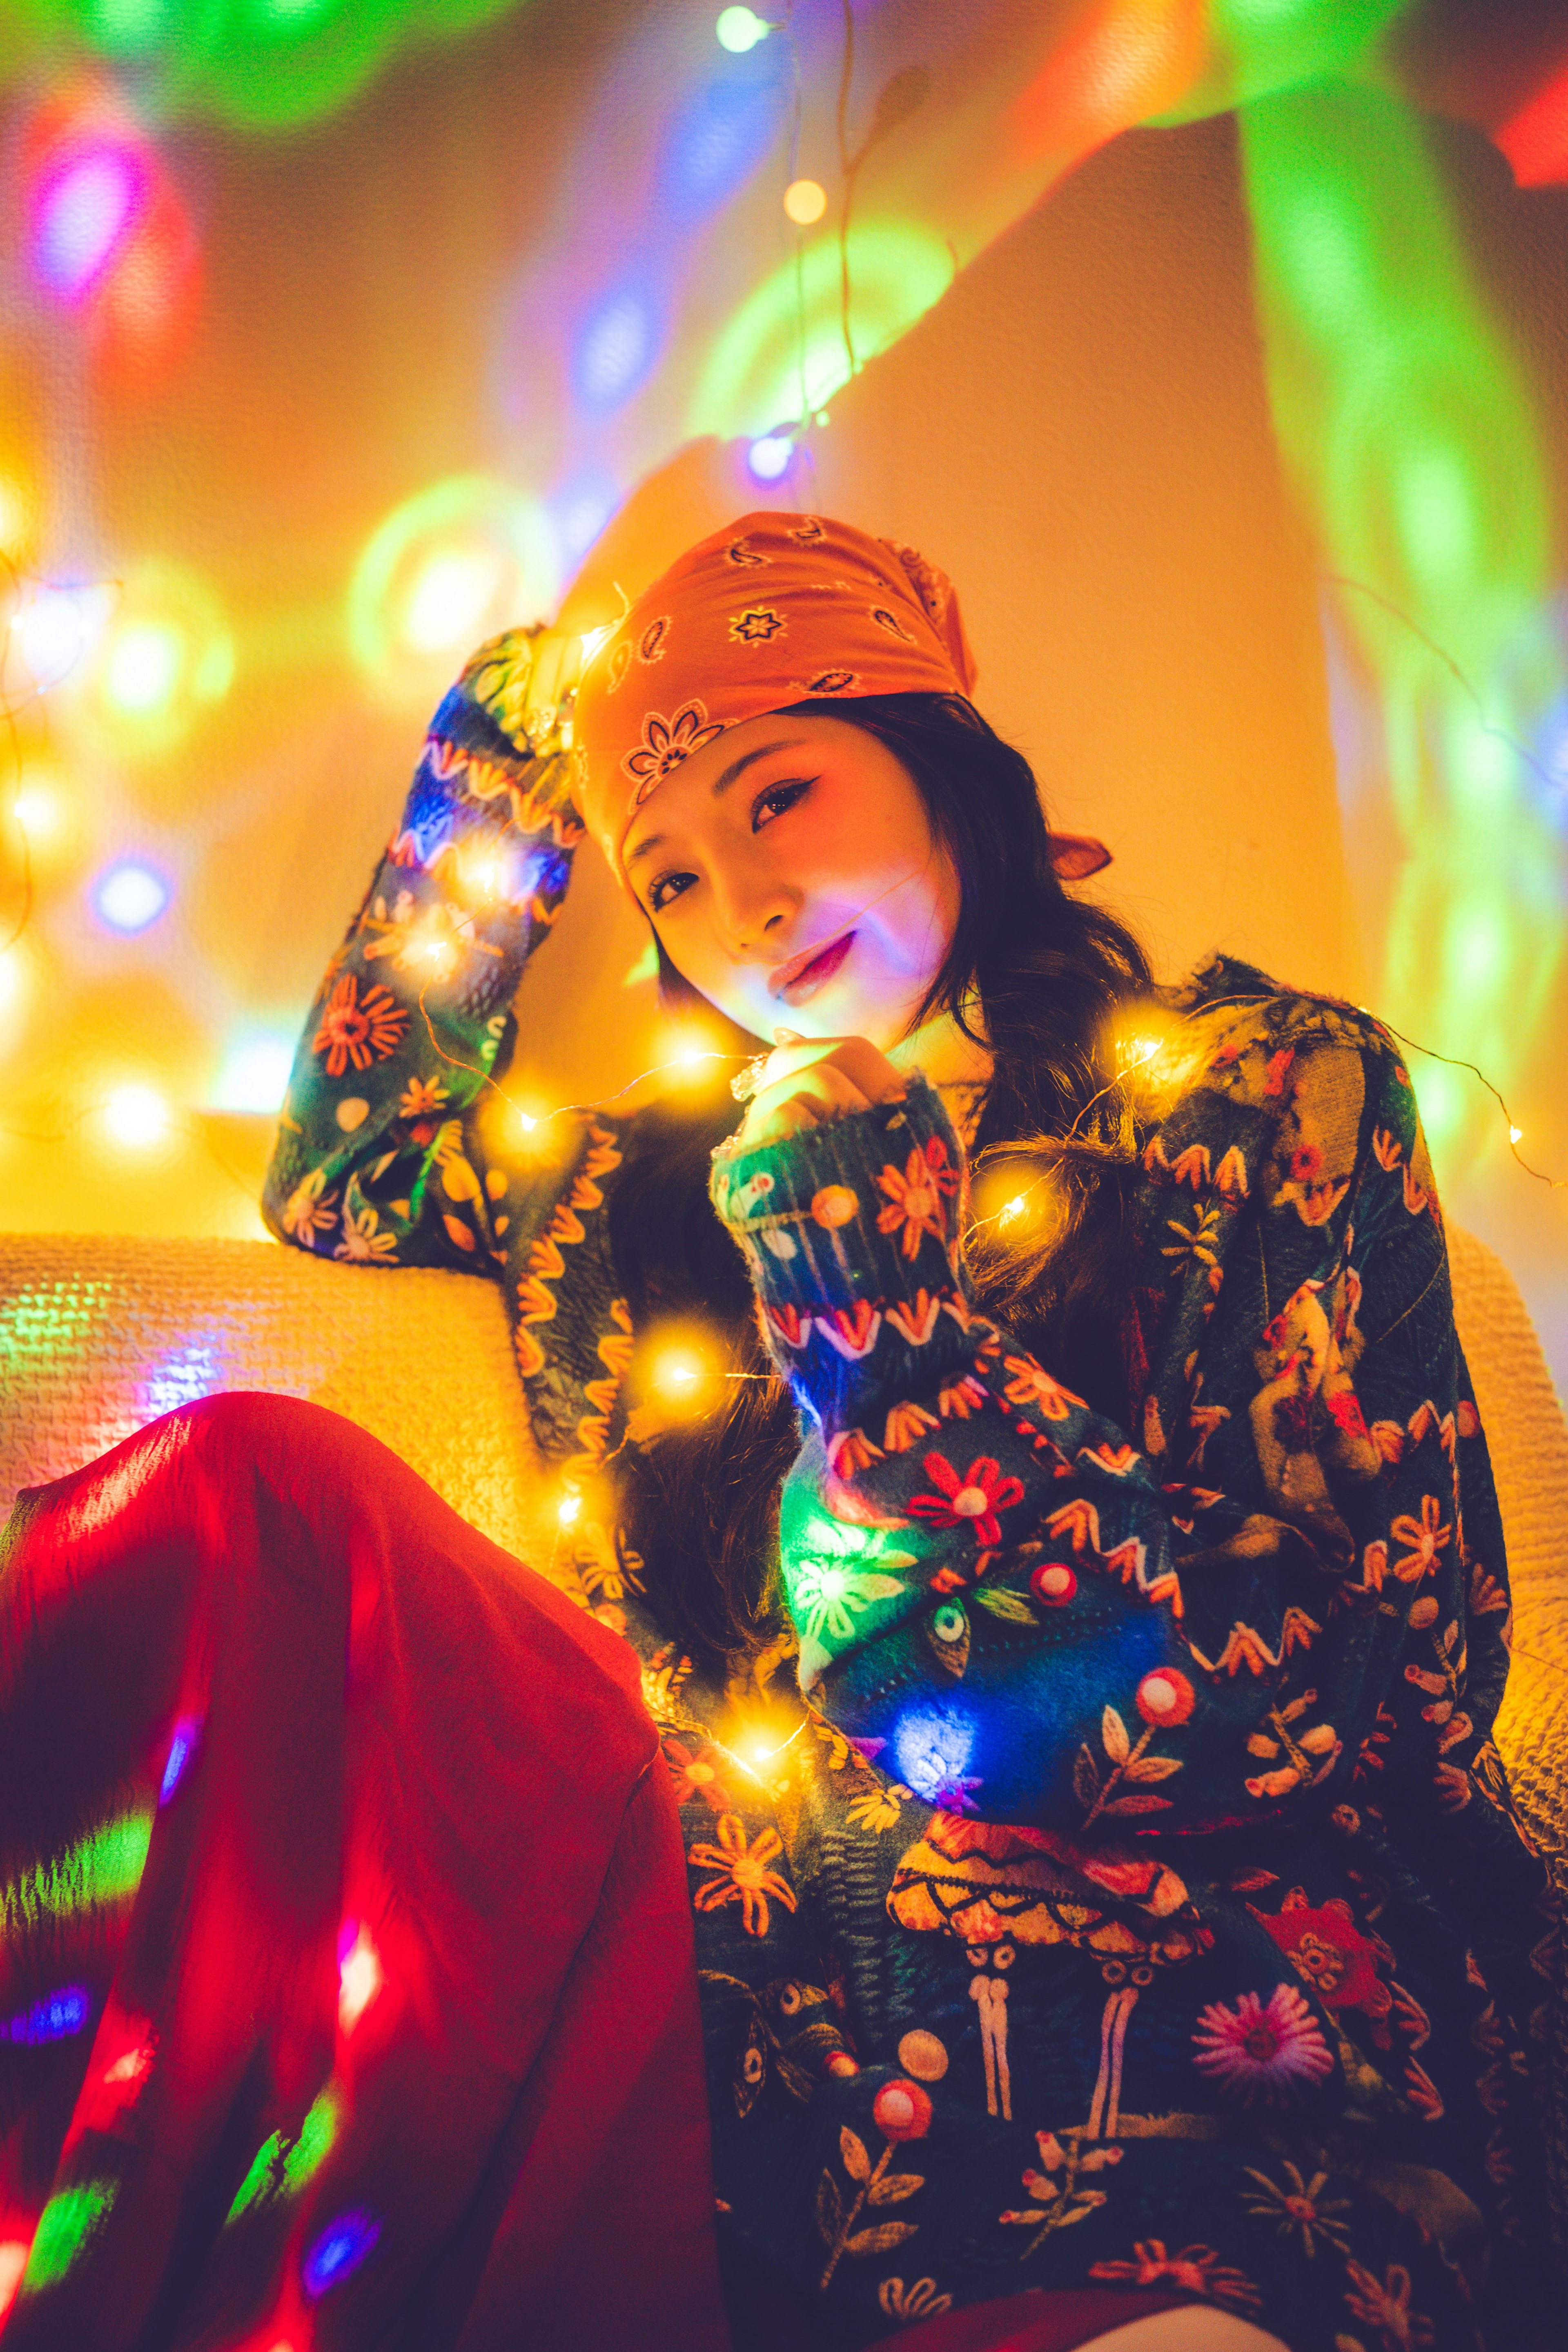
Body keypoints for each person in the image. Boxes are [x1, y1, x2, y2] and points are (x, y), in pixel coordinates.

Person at [258, 499, 1558, 2351]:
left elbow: (1403, 1679)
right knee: (253, 1504)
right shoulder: (637, 1194)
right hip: (765, 2038)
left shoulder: (1262, 1093)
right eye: (673, 875)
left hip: (1206, 2038)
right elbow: (344, 1175)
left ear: (946, 763)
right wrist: (498, 768)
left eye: (779, 797)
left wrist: (877, 1309)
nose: (747, 908)